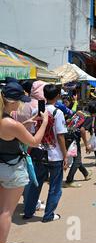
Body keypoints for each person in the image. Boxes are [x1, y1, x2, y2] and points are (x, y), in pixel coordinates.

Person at [0, 82, 49, 243]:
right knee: (6, 212)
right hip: (12, 169)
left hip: (1, 165)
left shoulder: (7, 121)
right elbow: (34, 142)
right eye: (20, 100)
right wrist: (44, 123)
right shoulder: (11, 124)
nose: (21, 104)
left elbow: (11, 133)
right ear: (12, 101)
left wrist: (26, 123)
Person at [23, 84, 68, 222]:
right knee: (55, 187)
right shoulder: (58, 113)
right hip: (55, 156)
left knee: (35, 185)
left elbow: (31, 132)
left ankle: (28, 212)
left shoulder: (36, 111)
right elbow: (60, 136)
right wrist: (65, 155)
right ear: (58, 96)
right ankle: (48, 215)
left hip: (38, 153)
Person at [63, 106, 94, 188]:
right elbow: (82, 130)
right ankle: (69, 180)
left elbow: (67, 121)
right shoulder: (89, 117)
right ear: (95, 113)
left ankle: (86, 174)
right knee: (77, 159)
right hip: (74, 138)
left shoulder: (79, 112)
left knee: (77, 157)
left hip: (66, 135)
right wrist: (86, 144)